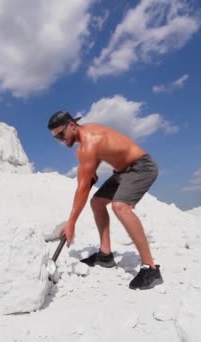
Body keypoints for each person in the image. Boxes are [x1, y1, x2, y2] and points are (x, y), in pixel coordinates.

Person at [48, 110, 163, 290]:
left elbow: (83, 187)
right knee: (97, 202)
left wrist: (71, 223)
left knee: (120, 206)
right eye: (56, 138)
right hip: (121, 172)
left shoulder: (89, 143)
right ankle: (105, 254)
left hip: (141, 167)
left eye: (61, 134)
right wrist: (91, 173)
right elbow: (101, 156)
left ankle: (151, 269)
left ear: (71, 125)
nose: (61, 140)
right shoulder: (87, 135)